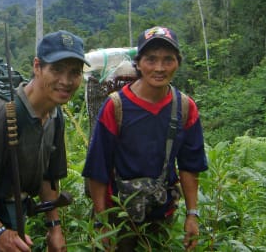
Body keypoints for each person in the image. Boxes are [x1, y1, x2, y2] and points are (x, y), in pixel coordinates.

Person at [0, 30, 90, 252]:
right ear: (37, 67)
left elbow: (48, 177)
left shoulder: (54, 114)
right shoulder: (4, 116)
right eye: (57, 69)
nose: (66, 81)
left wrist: (54, 227)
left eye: (74, 72)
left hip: (16, 220)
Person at [82, 26, 208, 251]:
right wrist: (102, 223)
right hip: (118, 216)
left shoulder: (185, 108)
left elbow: (189, 167)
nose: (159, 68)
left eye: (168, 60)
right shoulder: (116, 107)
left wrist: (192, 214)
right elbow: (98, 169)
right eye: (151, 60)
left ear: (178, 63)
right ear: (138, 64)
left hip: (162, 216)